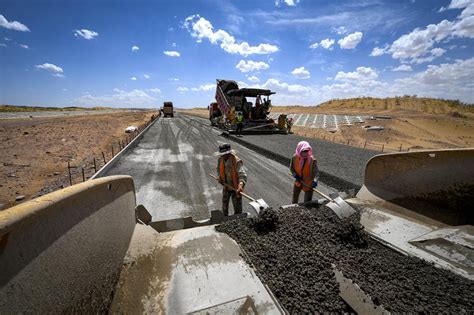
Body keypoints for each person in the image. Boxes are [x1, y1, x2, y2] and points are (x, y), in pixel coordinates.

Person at [217, 143, 247, 215]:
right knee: (224, 206)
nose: (224, 155)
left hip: (236, 188)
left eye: (226, 154)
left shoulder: (236, 161)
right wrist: (220, 178)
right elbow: (219, 170)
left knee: (237, 209)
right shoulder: (220, 160)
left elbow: (242, 175)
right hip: (226, 187)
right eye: (223, 154)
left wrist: (240, 185)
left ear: (229, 152)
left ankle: (238, 222)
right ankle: (224, 220)